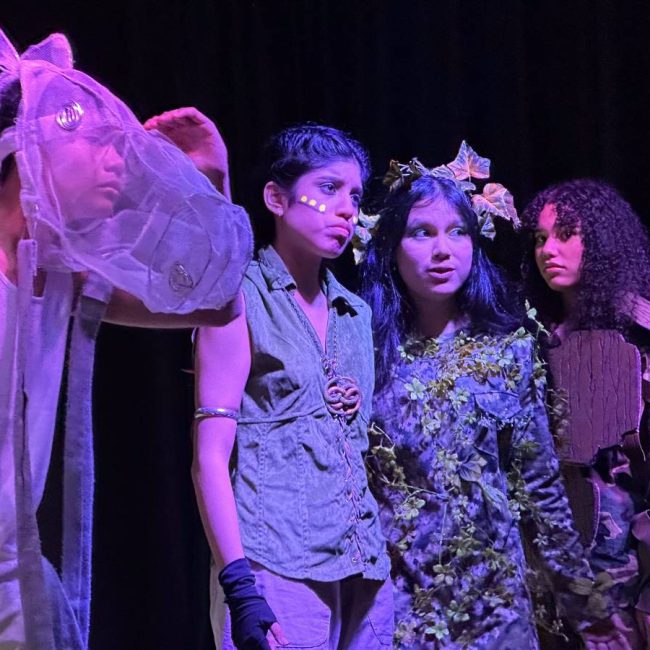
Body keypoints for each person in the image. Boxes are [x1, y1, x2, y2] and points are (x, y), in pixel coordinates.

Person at [0, 29, 252, 650]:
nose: (120, 162)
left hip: (12, 574)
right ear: (31, 143)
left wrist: (210, 180)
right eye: (100, 144)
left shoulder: (65, 275)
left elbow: (216, 303)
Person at [360, 146, 612, 649]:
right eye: (421, 232)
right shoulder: (362, 350)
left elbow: (540, 487)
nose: (443, 250)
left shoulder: (509, 351)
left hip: (494, 609)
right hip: (397, 607)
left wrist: (587, 609)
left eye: (457, 232)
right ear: (391, 246)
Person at [192, 124, 394, 650]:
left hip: (364, 568)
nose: (347, 209)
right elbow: (209, 458)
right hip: (275, 567)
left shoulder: (355, 314)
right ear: (277, 199)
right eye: (329, 188)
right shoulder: (237, 301)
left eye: (355, 196)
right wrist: (240, 589)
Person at [521, 178, 650, 648]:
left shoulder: (638, 330)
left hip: (625, 561)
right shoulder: (535, 334)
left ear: (599, 239)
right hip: (554, 553)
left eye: (565, 234)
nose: (548, 250)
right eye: (540, 238)